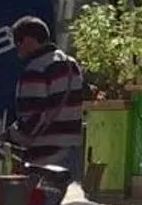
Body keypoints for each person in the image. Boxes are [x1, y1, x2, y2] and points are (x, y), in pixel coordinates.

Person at [11, 15, 87, 180]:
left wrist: (9, 136)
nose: (17, 50)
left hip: (44, 156)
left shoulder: (35, 69)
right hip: (72, 151)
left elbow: (32, 119)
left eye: (19, 42)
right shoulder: (71, 64)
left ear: (30, 40)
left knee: (39, 204)